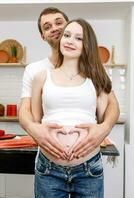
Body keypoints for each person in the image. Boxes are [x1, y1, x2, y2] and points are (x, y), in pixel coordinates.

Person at [19, 7, 119, 160]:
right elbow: (26, 111)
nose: (54, 28)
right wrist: (33, 129)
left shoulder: (92, 71)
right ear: (42, 36)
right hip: (49, 162)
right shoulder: (35, 71)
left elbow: (112, 106)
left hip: (87, 164)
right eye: (47, 27)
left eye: (59, 23)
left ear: (68, 25)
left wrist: (104, 128)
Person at [31, 18, 113, 198]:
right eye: (67, 35)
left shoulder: (97, 80)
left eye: (78, 38)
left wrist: (103, 128)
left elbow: (103, 118)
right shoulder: (41, 77)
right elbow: (35, 122)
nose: (70, 41)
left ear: (87, 45)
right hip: (49, 169)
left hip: (89, 169)